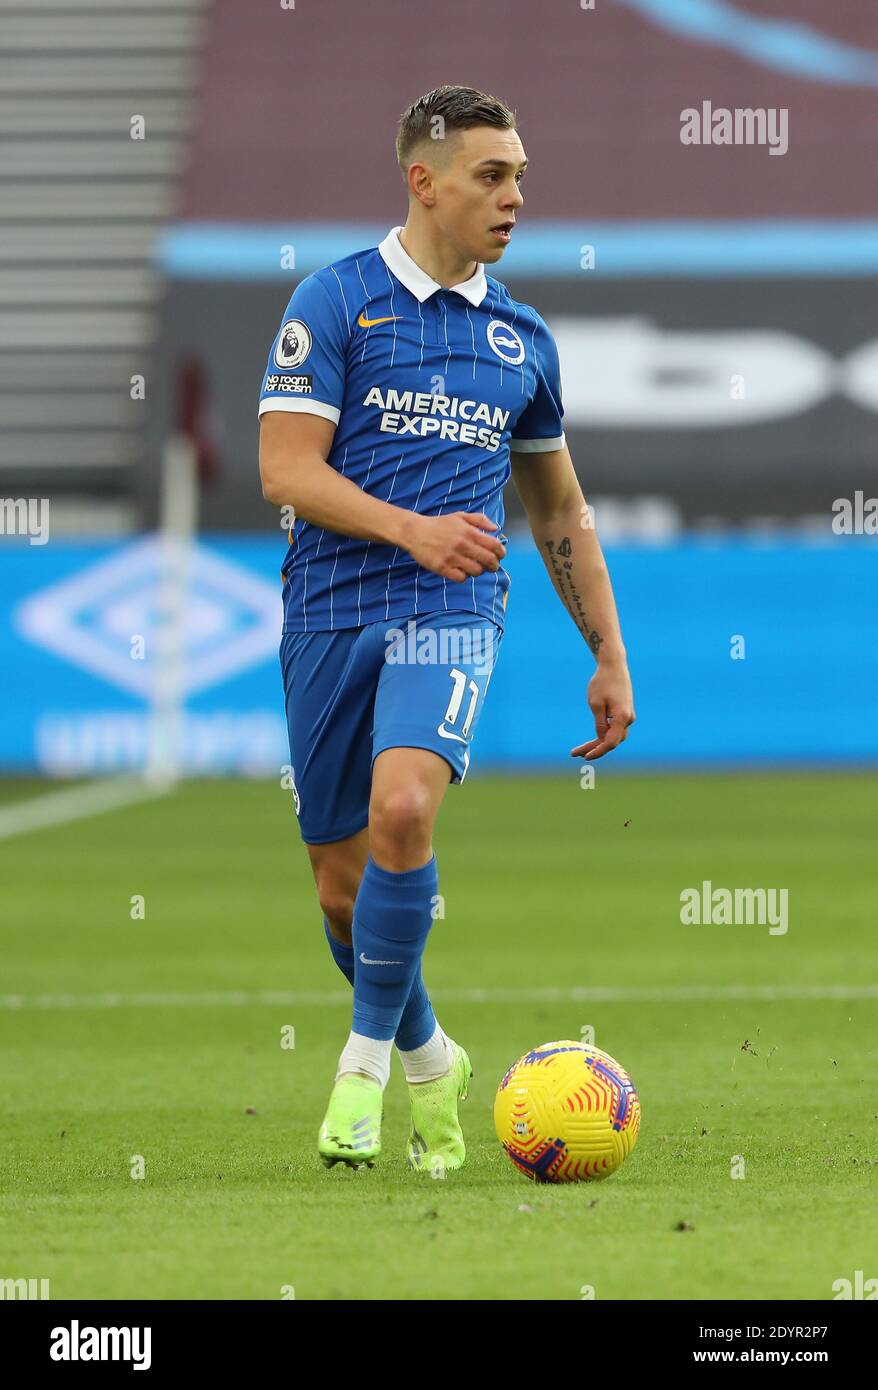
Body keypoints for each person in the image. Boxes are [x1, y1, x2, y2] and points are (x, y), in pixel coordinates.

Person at [257, 85, 635, 1173]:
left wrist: (605, 652)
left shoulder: (521, 337)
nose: (514, 196)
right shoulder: (333, 304)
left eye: (518, 175)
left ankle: (361, 1070)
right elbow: (285, 469)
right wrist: (409, 528)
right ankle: (431, 1055)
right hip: (329, 609)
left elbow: (558, 508)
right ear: (422, 180)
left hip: (450, 605)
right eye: (491, 175)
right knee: (340, 884)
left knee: (406, 804)